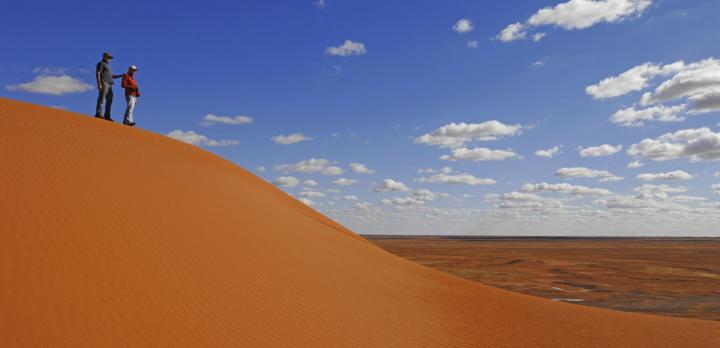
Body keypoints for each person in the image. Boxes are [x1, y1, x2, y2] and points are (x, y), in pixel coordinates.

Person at [95, 52, 122, 121]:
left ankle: (107, 116)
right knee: (101, 98)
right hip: (104, 82)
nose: (109, 59)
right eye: (108, 57)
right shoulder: (101, 63)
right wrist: (99, 83)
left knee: (110, 100)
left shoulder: (108, 65)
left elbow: (111, 76)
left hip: (110, 84)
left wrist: (121, 76)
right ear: (104, 56)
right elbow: (98, 73)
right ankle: (98, 113)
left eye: (110, 58)